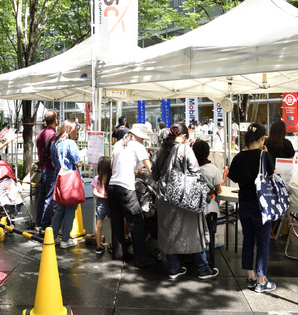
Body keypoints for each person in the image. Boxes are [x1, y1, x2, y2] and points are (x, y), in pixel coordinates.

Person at [152, 122, 219, 280]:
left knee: (168, 232)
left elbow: (154, 174)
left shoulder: (161, 151)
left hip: (164, 198)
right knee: (194, 231)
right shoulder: (185, 149)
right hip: (184, 198)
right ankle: (202, 268)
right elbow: (196, 173)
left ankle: (174, 268)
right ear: (183, 136)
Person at [230, 122, 276, 293]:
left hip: (245, 204)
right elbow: (271, 174)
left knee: (248, 239)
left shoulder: (239, 157)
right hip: (262, 206)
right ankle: (262, 281)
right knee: (263, 241)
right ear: (262, 138)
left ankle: (250, 277)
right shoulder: (265, 156)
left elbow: (233, 177)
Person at [108, 124, 156, 268]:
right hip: (126, 188)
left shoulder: (118, 143)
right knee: (137, 223)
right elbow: (150, 168)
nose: (142, 141)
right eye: (142, 138)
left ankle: (119, 254)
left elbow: (112, 165)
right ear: (137, 136)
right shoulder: (137, 146)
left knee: (117, 222)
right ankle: (140, 259)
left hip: (112, 187)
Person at [50, 119, 83, 248]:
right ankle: (65, 240)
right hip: (70, 181)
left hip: (59, 180)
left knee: (60, 209)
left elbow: (53, 163)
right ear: (71, 130)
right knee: (70, 210)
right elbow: (78, 162)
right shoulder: (70, 143)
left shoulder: (55, 144)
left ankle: (52, 237)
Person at [35, 110, 59, 233]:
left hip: (43, 168)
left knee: (42, 197)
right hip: (51, 169)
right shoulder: (53, 135)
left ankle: (38, 223)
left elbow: (39, 151)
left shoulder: (40, 133)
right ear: (55, 120)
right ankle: (45, 226)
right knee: (50, 199)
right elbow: (55, 153)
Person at [93, 156, 111, 254]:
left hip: (101, 202)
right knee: (114, 225)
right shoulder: (112, 178)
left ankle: (98, 246)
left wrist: (103, 196)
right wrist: (107, 197)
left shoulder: (97, 178)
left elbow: (94, 192)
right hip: (111, 202)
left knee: (98, 225)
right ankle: (113, 244)